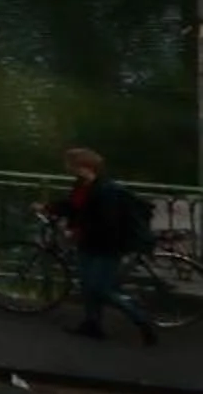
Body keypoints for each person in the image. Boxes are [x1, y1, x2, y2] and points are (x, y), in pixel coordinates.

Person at [44, 145, 159, 345]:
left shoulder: (107, 190)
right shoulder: (82, 185)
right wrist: (49, 207)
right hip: (87, 243)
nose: (67, 168)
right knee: (88, 286)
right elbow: (74, 207)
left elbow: (107, 222)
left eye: (70, 164)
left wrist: (77, 230)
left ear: (83, 166)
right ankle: (92, 325)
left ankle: (141, 319)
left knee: (102, 289)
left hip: (107, 246)